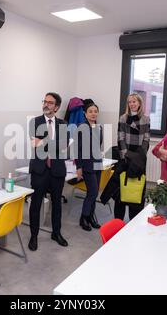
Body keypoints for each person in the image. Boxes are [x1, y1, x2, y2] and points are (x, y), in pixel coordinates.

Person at [28, 92, 69, 251]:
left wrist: (45, 142)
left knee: (57, 203)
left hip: (57, 169)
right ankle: (33, 236)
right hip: (39, 169)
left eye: (50, 103)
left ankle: (56, 233)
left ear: (57, 107)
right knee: (36, 204)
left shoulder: (63, 124)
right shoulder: (35, 122)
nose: (46, 104)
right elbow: (35, 144)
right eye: (44, 101)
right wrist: (54, 143)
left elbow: (63, 145)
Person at [115, 93, 150, 220]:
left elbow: (146, 138)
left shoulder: (146, 119)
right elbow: (120, 137)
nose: (132, 104)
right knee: (121, 189)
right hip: (125, 158)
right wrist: (126, 155)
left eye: (134, 101)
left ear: (139, 103)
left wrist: (140, 156)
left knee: (137, 189)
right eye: (130, 102)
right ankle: (118, 221)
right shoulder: (123, 118)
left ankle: (134, 220)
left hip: (139, 159)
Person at [75, 102, 103, 231]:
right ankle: (83, 218)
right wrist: (79, 167)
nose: (93, 113)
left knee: (95, 192)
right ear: (85, 114)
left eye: (95, 111)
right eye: (90, 111)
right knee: (91, 193)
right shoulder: (81, 127)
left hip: (97, 162)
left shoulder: (99, 128)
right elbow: (78, 149)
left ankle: (91, 217)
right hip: (86, 165)